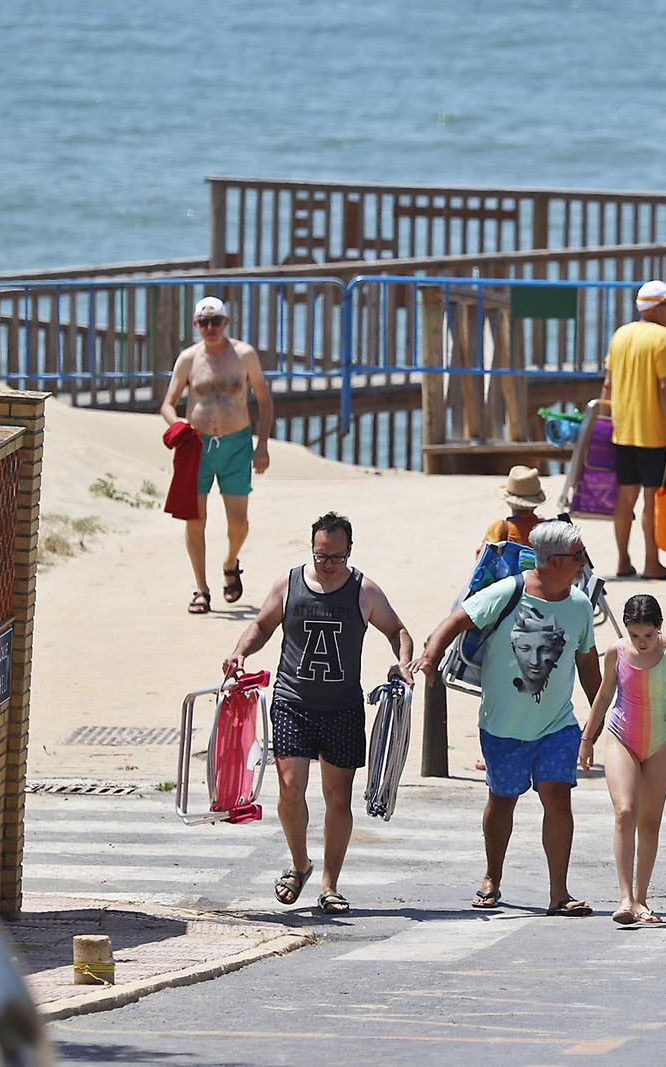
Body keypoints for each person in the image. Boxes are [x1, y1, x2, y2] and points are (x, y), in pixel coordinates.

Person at [222, 512, 414, 915]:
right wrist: (240, 652)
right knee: (290, 788)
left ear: (349, 552)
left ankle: (330, 884)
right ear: (312, 549)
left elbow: (398, 632)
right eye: (321, 556)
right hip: (292, 702)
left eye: (337, 558)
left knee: (337, 797)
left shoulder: (365, 591)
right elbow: (260, 626)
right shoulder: (289, 584)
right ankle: (299, 864)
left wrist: (403, 663)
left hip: (342, 708)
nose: (328, 565)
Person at [408, 520, 601, 917]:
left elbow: (588, 665)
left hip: (558, 724)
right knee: (502, 801)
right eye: (578, 557)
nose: (584, 564)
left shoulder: (581, 605)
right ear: (551, 562)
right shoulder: (508, 592)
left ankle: (559, 893)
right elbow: (455, 621)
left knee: (558, 798)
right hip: (503, 726)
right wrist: (429, 656)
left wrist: (601, 720)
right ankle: (492, 876)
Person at [579, 595, 666, 925]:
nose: (642, 642)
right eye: (635, 635)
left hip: (660, 742)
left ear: (659, 627)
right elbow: (604, 696)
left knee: (649, 821)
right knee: (625, 811)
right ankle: (623, 899)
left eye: (648, 635)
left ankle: (641, 898)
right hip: (622, 737)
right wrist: (587, 738)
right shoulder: (616, 652)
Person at [160, 297, 274, 615]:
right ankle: (201, 589)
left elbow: (264, 401)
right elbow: (168, 403)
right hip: (196, 447)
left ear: (227, 322)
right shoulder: (188, 359)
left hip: (236, 445)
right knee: (195, 519)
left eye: (216, 321)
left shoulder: (245, 355)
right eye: (203, 322)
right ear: (196, 325)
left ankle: (230, 561)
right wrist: (177, 423)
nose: (210, 328)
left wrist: (262, 445)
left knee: (238, 522)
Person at [602, 280, 666, 582]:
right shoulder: (664, 339)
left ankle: (623, 561)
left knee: (625, 499)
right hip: (652, 434)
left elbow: (608, 385)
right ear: (656, 308)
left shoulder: (620, 335)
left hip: (622, 431)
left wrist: (603, 423)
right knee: (652, 501)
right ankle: (653, 564)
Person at [482, 466, 547, 547]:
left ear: (508, 501)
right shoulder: (546, 529)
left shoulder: (500, 528)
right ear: (536, 504)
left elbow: (482, 555)